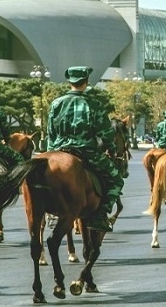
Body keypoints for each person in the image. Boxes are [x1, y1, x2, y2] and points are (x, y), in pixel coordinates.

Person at [46, 66, 124, 232]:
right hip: (87, 152)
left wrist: (51, 153)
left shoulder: (56, 103)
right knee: (116, 179)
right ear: (86, 82)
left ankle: (52, 213)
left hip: (59, 151)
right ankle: (100, 215)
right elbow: (105, 133)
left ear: (69, 82)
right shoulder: (94, 104)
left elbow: (50, 133)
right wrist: (111, 149)